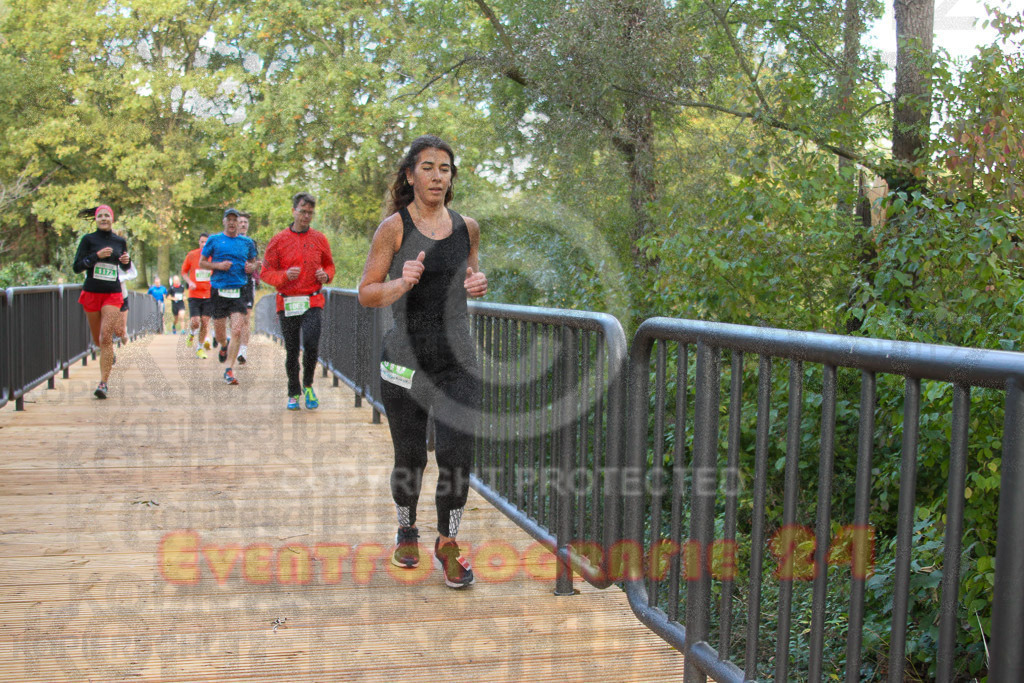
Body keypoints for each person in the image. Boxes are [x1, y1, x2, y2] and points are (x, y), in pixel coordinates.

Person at [357, 135, 488, 589]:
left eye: (445, 168)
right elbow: (367, 292)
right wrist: (401, 283)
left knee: (456, 456)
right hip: (405, 361)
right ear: (411, 175)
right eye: (428, 167)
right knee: (410, 456)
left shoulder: (466, 227)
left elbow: (470, 274)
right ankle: (406, 528)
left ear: (452, 177)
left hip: (458, 362)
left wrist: (477, 284)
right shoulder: (393, 228)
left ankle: (448, 543)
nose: (437, 176)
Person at [261, 193, 335, 410]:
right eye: (302, 211)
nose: (306, 216)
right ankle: (293, 391)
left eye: (310, 213)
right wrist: (284, 276)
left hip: (312, 300)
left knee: (311, 343)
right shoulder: (278, 240)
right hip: (288, 302)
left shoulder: (319, 238)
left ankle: (309, 385)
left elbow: (330, 266)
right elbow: (265, 273)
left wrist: (326, 276)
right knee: (292, 349)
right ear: (293, 211)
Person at [72, 204, 132, 399]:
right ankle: (107, 356)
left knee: (106, 336)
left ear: (112, 219)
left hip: (112, 293)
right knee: (98, 338)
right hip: (91, 292)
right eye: (101, 216)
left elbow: (125, 267)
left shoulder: (119, 241)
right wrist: (95, 256)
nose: (104, 218)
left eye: (107, 215)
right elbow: (77, 267)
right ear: (96, 219)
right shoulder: (88, 240)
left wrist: (126, 261)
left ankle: (103, 383)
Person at [199, 208, 257, 385]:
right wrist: (218, 265)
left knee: (238, 329)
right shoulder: (214, 240)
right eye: (229, 219)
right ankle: (224, 345)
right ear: (224, 221)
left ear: (239, 223)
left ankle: (229, 370)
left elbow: (254, 263)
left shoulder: (247, 242)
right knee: (220, 332)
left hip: (239, 290)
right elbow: (202, 262)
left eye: (235, 220)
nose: (232, 223)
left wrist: (251, 267)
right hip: (219, 290)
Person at [181, 234, 213, 358]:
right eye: (202, 242)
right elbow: (183, 272)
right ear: (199, 243)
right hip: (194, 294)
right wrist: (190, 282)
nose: (204, 244)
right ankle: (192, 333)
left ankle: (199, 348)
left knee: (205, 322)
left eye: (206, 242)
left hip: (209, 294)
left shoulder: (213, 257)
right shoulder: (192, 255)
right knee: (195, 322)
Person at [235, 212, 260, 364]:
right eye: (241, 222)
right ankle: (232, 345)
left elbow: (255, 262)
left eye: (245, 222)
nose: (243, 224)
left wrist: (253, 267)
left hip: (247, 283)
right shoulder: (228, 242)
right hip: (232, 284)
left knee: (246, 317)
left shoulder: (251, 243)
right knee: (234, 319)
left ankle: (243, 351)